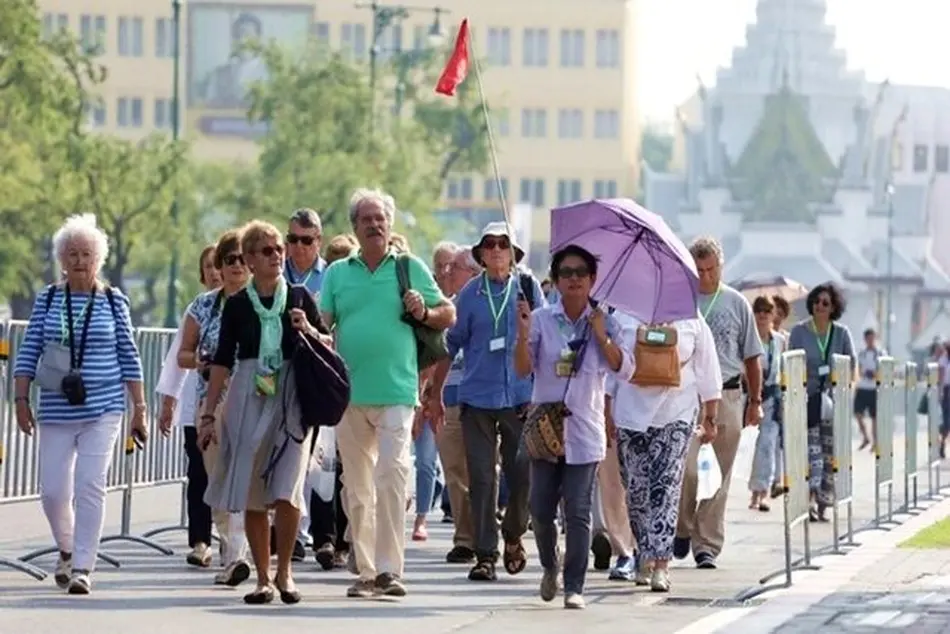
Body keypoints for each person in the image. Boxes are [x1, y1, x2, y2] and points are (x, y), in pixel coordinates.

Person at [319, 188, 455, 598]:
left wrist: (424, 312)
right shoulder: (338, 274)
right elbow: (324, 324)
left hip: (397, 390)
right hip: (349, 393)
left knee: (392, 476)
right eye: (367, 219)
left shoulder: (409, 267)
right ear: (355, 228)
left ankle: (389, 570)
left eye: (381, 219)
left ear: (390, 225)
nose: (375, 225)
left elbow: (447, 313)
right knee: (357, 488)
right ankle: (364, 570)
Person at [13, 214, 147, 595]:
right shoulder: (49, 298)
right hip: (56, 407)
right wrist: (21, 399)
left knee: (90, 484)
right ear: (61, 259)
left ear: (98, 259)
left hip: (103, 407)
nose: (79, 260)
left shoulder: (113, 300)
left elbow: (129, 353)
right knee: (53, 492)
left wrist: (140, 407)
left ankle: (84, 566)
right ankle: (68, 548)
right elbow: (29, 351)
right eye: (71, 253)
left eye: (86, 253)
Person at [201, 220, 329, 605]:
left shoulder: (301, 296)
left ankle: (285, 571)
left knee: (289, 489)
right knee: (255, 492)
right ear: (251, 260)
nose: (277, 256)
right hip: (248, 395)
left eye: (279, 249)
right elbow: (223, 361)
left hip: (292, 398)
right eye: (267, 251)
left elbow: (328, 342)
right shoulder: (238, 305)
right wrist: (208, 414)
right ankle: (261, 578)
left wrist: (308, 328)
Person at [513, 244, 631, 609]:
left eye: (581, 272)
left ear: (593, 279)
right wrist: (521, 332)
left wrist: (601, 334)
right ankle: (551, 564)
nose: (574, 278)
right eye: (567, 272)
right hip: (546, 429)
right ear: (557, 280)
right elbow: (522, 368)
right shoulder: (542, 320)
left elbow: (624, 369)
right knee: (541, 510)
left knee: (578, 510)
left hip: (584, 429)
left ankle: (574, 587)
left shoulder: (606, 321)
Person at [428, 222, 545, 582]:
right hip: (477, 398)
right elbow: (451, 344)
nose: (496, 250)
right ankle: (485, 554)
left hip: (520, 398)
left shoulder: (527, 288)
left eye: (503, 244)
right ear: (480, 254)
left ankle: (513, 533)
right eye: (489, 245)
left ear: (514, 253)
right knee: (482, 478)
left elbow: (546, 337)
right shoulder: (469, 294)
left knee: (522, 476)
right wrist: (434, 390)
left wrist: (530, 326)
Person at [607, 303, 721, 592]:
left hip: (676, 412)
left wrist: (711, 416)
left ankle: (661, 564)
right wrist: (607, 410)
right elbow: (611, 368)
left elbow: (708, 368)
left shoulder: (692, 318)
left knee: (666, 489)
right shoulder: (622, 315)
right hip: (630, 414)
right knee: (635, 490)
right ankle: (644, 555)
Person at [675, 236, 763, 570]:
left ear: (720, 266)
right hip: (689, 395)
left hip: (728, 394)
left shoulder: (737, 303)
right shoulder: (682, 301)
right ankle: (681, 526)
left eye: (710, 269)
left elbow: (753, 358)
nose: (705, 276)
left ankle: (707, 544)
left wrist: (755, 401)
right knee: (688, 468)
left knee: (720, 475)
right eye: (698, 270)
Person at [176, 230, 252, 586]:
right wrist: (201, 361)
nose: (236, 266)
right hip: (213, 403)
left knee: (250, 480)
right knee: (219, 480)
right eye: (228, 260)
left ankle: (239, 553)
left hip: (257, 401)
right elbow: (183, 353)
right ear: (218, 267)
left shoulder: (264, 300)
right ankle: (231, 548)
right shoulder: (204, 305)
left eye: (241, 258)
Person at [155, 245, 222, 570]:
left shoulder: (242, 305)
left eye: (218, 265)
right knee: (198, 474)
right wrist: (168, 402)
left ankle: (236, 540)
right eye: (207, 266)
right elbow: (176, 360)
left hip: (230, 406)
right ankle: (200, 540)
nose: (213, 272)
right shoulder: (196, 310)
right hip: (194, 407)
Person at [308, 232, 358, 571]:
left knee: (347, 470)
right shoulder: (320, 302)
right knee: (323, 466)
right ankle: (324, 538)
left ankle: (344, 540)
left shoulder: (358, 300)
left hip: (355, 392)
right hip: (325, 392)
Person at [429, 246, 482, 563]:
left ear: (474, 273)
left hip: (482, 401)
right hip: (449, 399)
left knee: (483, 472)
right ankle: (465, 538)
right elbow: (436, 355)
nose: (448, 272)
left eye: (457, 267)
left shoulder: (489, 304)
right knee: (454, 471)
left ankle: (486, 532)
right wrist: (429, 394)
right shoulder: (443, 308)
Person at [787, 282, 856, 522]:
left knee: (830, 455)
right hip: (808, 402)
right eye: (816, 301)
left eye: (825, 303)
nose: (819, 306)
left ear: (834, 307)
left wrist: (844, 391)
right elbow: (790, 363)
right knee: (811, 453)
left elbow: (851, 365)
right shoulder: (799, 332)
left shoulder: (842, 334)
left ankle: (824, 502)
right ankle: (810, 499)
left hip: (833, 403)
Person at [283, 208, 327, 562]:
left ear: (319, 241)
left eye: (306, 240)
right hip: (279, 375)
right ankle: (290, 532)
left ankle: (306, 531)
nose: (298, 247)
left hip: (318, 374)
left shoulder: (332, 277)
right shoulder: (272, 272)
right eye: (292, 239)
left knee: (313, 461)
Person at [411, 242, 459, 542]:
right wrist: (423, 391)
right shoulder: (421, 302)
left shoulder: (461, 304)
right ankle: (419, 517)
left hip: (453, 396)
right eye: (438, 264)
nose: (444, 271)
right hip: (419, 391)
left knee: (442, 462)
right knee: (424, 460)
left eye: (450, 265)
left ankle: (427, 517)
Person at [747, 296, 786, 512]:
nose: (762, 315)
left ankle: (760, 493)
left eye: (767, 311)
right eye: (758, 310)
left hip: (771, 397)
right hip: (747, 396)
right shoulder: (748, 337)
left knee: (767, 445)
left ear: (773, 315)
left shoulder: (779, 341)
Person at [853, 327, 883, 451]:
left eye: (872, 338)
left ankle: (876, 442)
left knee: (874, 417)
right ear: (865, 339)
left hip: (874, 388)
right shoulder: (862, 354)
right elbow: (858, 370)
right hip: (862, 387)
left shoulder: (880, 354)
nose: (870, 340)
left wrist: (875, 374)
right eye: (868, 338)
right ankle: (865, 437)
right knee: (857, 414)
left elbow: (884, 370)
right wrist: (861, 375)